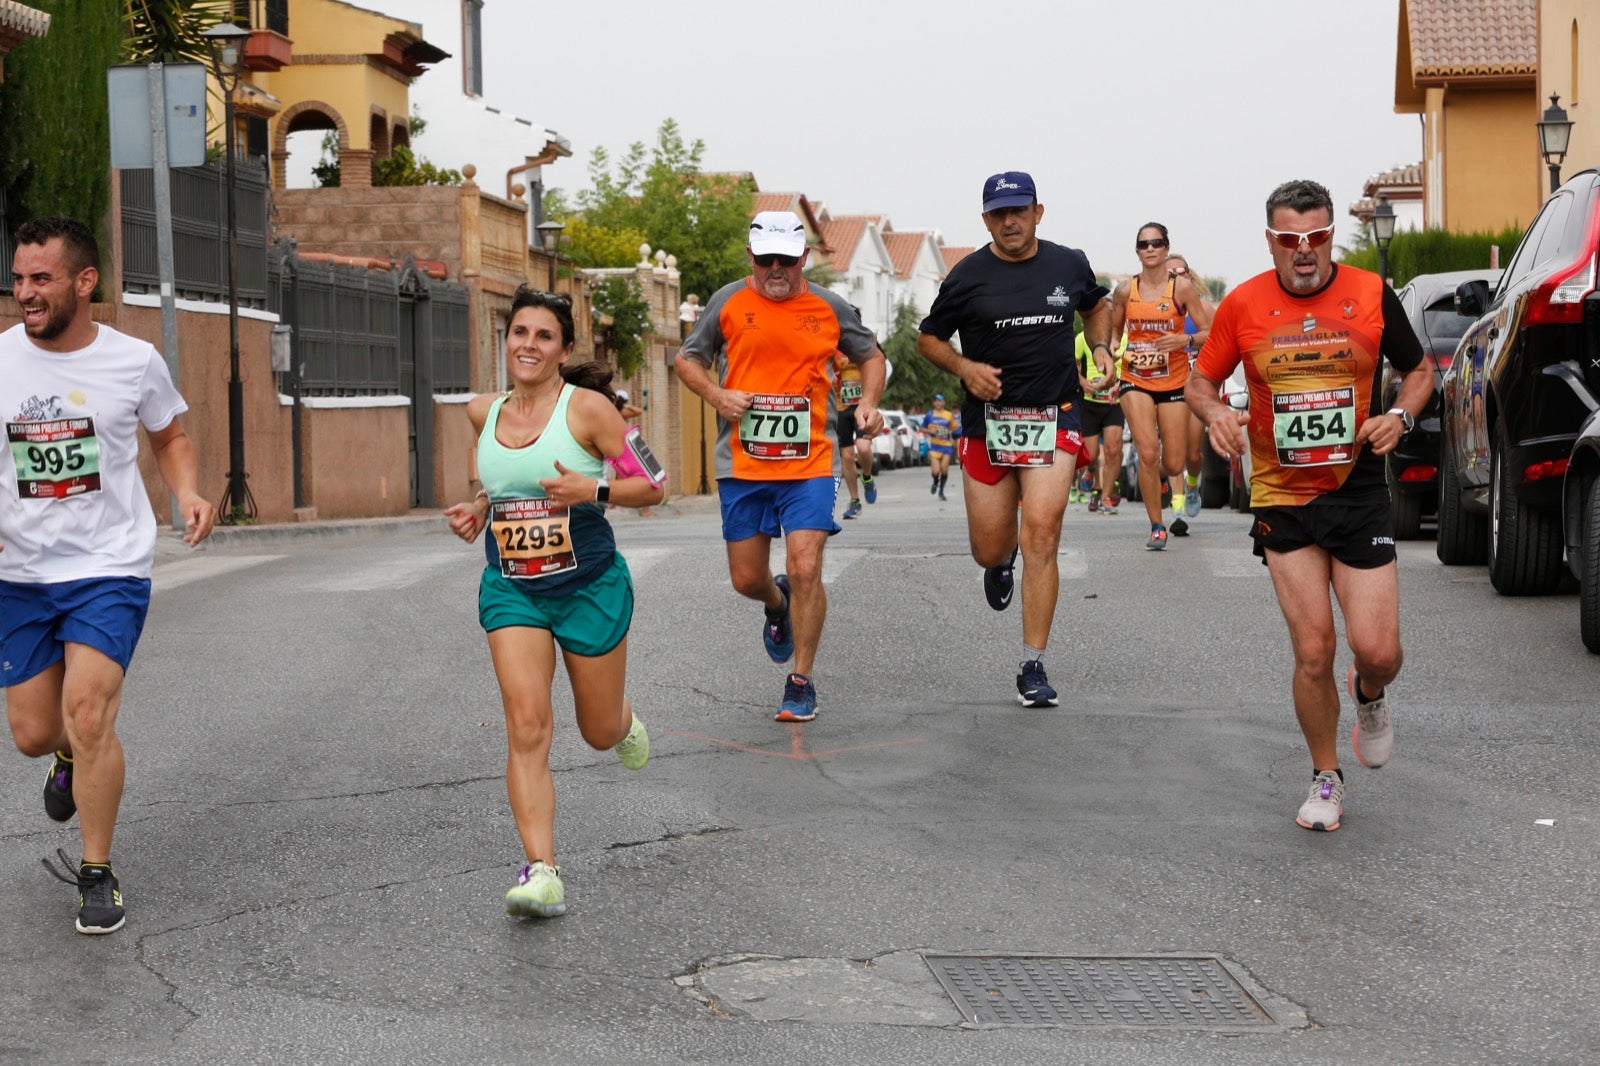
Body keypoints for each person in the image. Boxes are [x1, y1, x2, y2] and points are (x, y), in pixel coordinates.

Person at [1184, 179, 1430, 833]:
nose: (1304, 250)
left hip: (1356, 492)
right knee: (1314, 648)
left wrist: (1400, 417)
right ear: (1271, 241)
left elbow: (1421, 370)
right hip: (1282, 496)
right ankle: (1326, 777)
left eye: (1317, 237)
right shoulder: (1241, 304)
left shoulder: (1371, 295)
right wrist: (1215, 415)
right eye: (1290, 239)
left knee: (1377, 651)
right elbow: (1200, 381)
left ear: (1329, 237)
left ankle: (1370, 694)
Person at [2, 216, 216, 935]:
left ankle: (97, 872)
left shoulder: (133, 361)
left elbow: (170, 436)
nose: (25, 292)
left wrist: (186, 490)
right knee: (35, 733)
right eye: (20, 278)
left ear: (83, 282)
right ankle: (61, 753)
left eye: (41, 278)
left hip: (108, 568)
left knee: (91, 711)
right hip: (21, 572)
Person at [443, 288, 667, 918]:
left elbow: (656, 484)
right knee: (527, 725)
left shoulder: (590, 411)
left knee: (596, 732)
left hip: (588, 586)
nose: (528, 345)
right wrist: (479, 506)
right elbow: (501, 482)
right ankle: (541, 869)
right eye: (519, 332)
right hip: (513, 587)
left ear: (564, 350)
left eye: (544, 336)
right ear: (505, 340)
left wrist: (593, 487)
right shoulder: (480, 412)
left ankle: (622, 720)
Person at [673, 211, 885, 722]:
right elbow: (686, 359)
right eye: (765, 259)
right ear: (751, 257)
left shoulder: (830, 307)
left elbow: (871, 355)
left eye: (786, 261)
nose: (776, 269)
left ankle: (801, 681)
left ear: (802, 259)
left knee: (806, 565)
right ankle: (775, 602)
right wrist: (718, 395)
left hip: (810, 460)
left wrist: (869, 402)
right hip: (743, 464)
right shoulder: (727, 302)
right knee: (747, 578)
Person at [917, 172, 1114, 707]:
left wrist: (1100, 351)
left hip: (1056, 415)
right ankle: (999, 564)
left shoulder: (1068, 262)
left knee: (1043, 534)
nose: (1010, 221)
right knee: (988, 547)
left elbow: (1097, 306)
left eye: (1019, 211)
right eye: (999, 213)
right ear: (985, 219)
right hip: (989, 423)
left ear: (1038, 212)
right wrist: (964, 367)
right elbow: (928, 337)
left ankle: (1033, 663)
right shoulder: (966, 277)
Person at [1110, 223, 1213, 549]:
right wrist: (1111, 352)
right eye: (1144, 244)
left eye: (1156, 243)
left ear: (1166, 248)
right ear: (1137, 251)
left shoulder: (1181, 289)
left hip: (1174, 380)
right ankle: (1156, 525)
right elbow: (1114, 333)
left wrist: (1185, 339)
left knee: (1174, 462)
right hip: (1135, 379)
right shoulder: (1126, 291)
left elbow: (1210, 332)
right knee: (1148, 452)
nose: (1150, 248)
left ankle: (1180, 486)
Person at [1166, 253, 1214, 523]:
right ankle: (1178, 507)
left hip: (1195, 385)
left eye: (1179, 271)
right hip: (1167, 384)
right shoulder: (1155, 309)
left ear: (1189, 275)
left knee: (1193, 453)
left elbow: (1219, 348)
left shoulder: (1204, 309)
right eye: (1168, 272)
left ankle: (1193, 484)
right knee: (1173, 448)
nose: (1175, 276)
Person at [1073, 324, 1125, 515]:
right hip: (1089, 403)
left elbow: (1130, 367)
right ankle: (1091, 470)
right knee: (1092, 454)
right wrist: (1083, 382)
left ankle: (1106, 496)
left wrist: (1119, 383)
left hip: (1115, 403)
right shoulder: (1082, 338)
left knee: (1113, 449)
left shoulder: (1124, 340)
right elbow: (1071, 362)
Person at [833, 348, 878, 519]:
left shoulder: (863, 341)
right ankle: (855, 500)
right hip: (841, 407)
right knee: (847, 455)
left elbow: (882, 367)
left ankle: (867, 477)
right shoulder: (832, 346)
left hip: (862, 406)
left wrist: (872, 398)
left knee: (864, 447)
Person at [920, 393, 957, 500]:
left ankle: (941, 491)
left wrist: (947, 430)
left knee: (944, 470)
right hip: (935, 447)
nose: (937, 403)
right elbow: (922, 429)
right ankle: (935, 482)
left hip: (946, 446)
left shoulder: (949, 415)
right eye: (935, 401)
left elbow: (954, 427)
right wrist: (930, 431)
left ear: (944, 403)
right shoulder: (929, 415)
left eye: (939, 401)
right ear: (933, 403)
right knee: (935, 471)